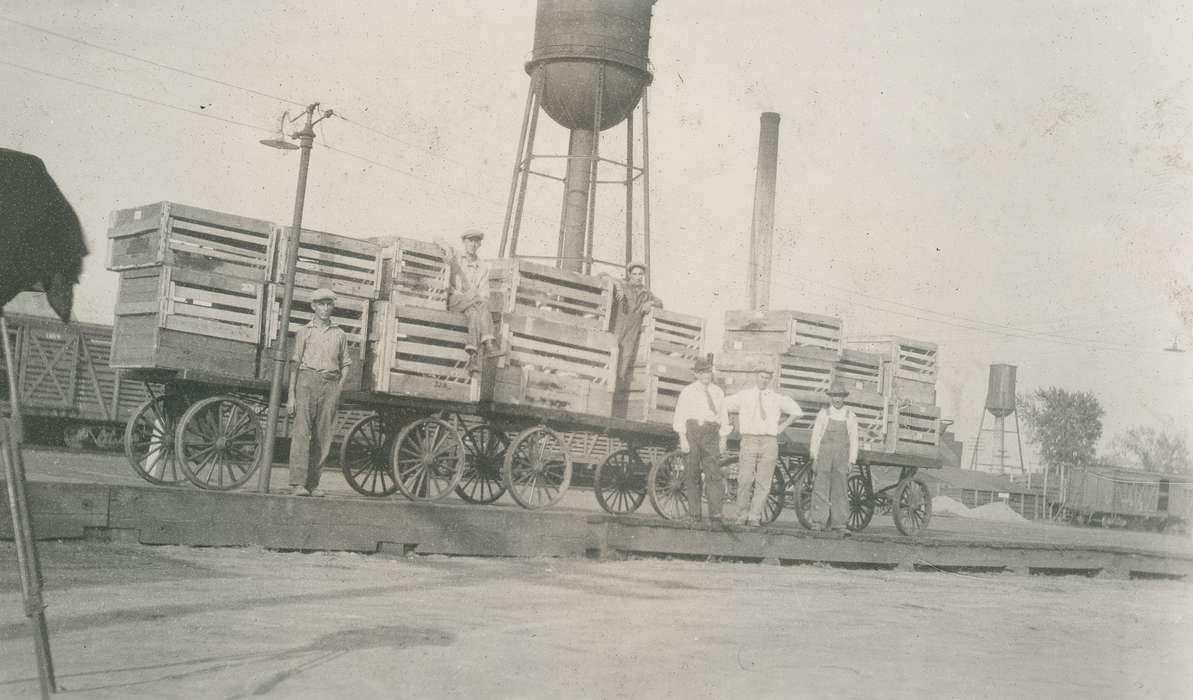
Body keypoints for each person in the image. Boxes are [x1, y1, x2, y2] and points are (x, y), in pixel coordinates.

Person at [286, 287, 352, 497]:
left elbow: (346, 363)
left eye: (328, 304)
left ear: (332, 307)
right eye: (320, 304)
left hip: (330, 384)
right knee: (301, 433)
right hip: (306, 381)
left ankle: (314, 484)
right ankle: (298, 484)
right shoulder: (304, 332)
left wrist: (338, 388)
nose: (324, 308)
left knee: (323, 436)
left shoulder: (339, 334)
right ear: (313, 306)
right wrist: (291, 396)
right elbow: (295, 364)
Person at [724, 362, 803, 527]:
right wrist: (728, 425)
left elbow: (797, 412)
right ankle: (741, 515)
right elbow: (722, 405)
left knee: (763, 482)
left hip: (769, 441)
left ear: (771, 379)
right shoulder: (744, 395)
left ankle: (754, 517)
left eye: (767, 378)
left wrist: (781, 427)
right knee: (744, 479)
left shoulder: (776, 398)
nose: (764, 380)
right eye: (761, 376)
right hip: (749, 440)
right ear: (756, 377)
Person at [671, 356, 729, 526]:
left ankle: (716, 515)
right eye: (702, 372)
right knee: (692, 472)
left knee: (713, 473)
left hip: (711, 433)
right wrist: (683, 438)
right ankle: (694, 514)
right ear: (696, 374)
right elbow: (680, 415)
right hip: (692, 431)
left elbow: (723, 416)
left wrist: (723, 438)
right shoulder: (688, 391)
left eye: (708, 372)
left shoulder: (718, 392)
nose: (706, 375)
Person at [439, 230, 502, 371]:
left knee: (475, 312)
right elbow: (436, 238)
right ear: (464, 242)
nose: (473, 245)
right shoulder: (455, 256)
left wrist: (476, 297)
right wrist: (446, 248)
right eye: (470, 241)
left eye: (476, 242)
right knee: (479, 303)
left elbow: (484, 294)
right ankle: (489, 342)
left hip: (472, 305)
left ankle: (472, 357)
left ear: (479, 244)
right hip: (455, 300)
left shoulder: (483, 267)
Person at [809, 380, 859, 535]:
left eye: (840, 396)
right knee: (821, 487)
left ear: (844, 397)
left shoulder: (850, 416)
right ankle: (818, 521)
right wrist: (814, 457)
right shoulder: (824, 414)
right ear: (830, 397)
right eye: (835, 396)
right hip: (824, 455)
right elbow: (816, 436)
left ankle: (840, 523)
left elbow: (854, 439)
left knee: (841, 489)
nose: (837, 399)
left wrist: (852, 460)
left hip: (842, 457)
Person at [606, 262, 663, 386]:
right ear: (629, 274)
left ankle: (617, 389)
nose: (638, 276)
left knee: (625, 357)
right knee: (611, 353)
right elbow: (603, 276)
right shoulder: (622, 284)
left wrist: (650, 303)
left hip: (633, 329)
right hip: (618, 325)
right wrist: (618, 286)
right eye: (635, 274)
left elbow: (660, 303)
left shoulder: (646, 292)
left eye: (640, 274)